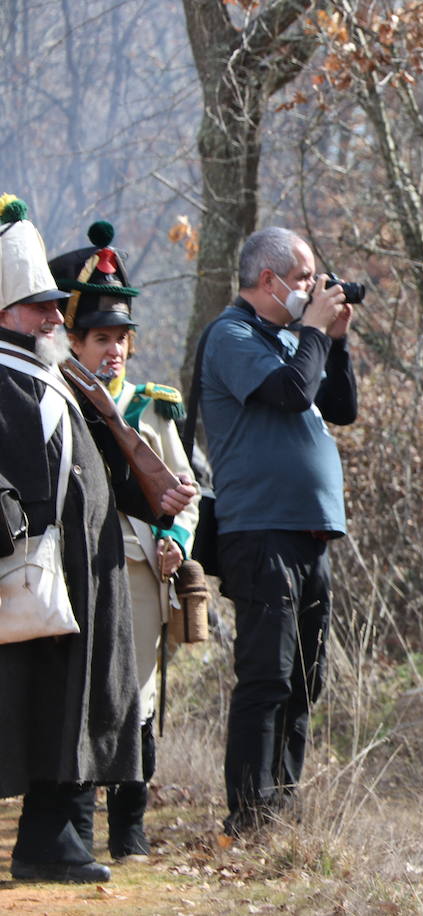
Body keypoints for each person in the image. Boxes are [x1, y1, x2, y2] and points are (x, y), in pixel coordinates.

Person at [0, 195, 196, 883]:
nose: (58, 318)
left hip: (76, 575)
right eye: (41, 307)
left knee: (66, 709)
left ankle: (50, 843)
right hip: (31, 573)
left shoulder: (50, 374)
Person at [50, 220, 201, 861]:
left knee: (136, 696)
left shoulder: (153, 406)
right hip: (72, 568)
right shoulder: (54, 397)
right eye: (101, 338)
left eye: (122, 339)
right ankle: (76, 830)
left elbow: (184, 490)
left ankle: (130, 828)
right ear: (74, 341)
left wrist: (175, 540)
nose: (114, 351)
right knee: (82, 692)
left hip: (140, 572)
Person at [199, 226, 357, 837]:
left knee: (305, 678)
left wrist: (334, 340)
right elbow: (292, 393)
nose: (310, 289)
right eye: (301, 279)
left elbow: (339, 408)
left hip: (309, 535)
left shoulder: (295, 341)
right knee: (267, 675)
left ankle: (281, 811)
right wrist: (313, 330)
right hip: (259, 531)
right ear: (266, 280)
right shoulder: (232, 335)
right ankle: (248, 816)